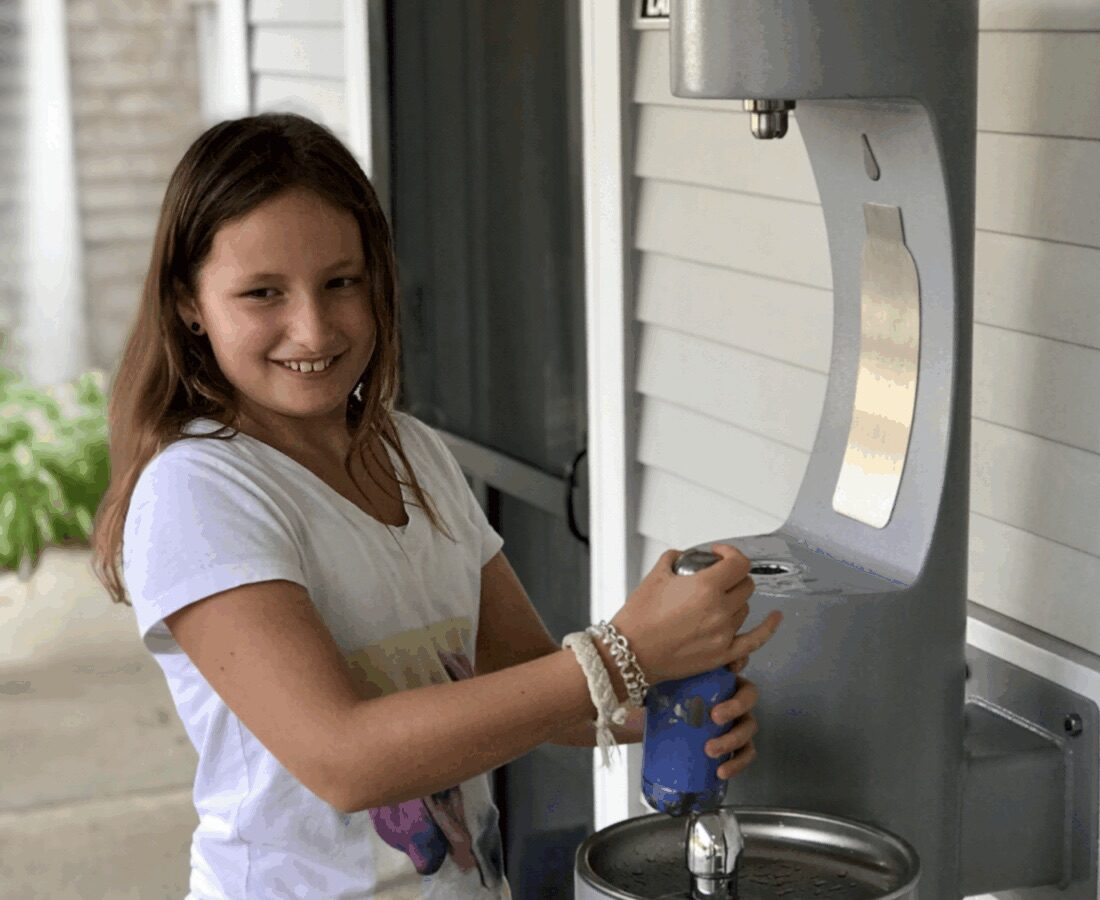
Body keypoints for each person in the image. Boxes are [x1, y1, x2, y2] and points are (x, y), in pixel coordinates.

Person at [87, 112, 783, 898]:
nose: (311, 327)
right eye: (262, 293)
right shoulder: (199, 490)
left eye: (340, 282)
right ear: (189, 303)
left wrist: (661, 703)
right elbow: (344, 761)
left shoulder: (411, 452)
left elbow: (525, 679)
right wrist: (624, 651)